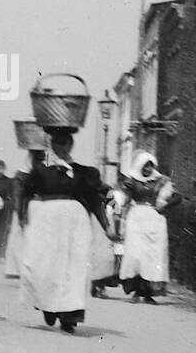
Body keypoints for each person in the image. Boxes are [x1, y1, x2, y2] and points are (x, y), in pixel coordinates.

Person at [18, 128, 111, 333]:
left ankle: (70, 315)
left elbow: (94, 200)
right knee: (46, 264)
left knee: (75, 266)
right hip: (47, 222)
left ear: (71, 145)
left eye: (65, 143)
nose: (61, 147)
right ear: (52, 145)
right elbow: (25, 194)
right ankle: (49, 306)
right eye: (57, 143)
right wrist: (23, 218)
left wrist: (106, 226)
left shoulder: (84, 172)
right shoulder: (41, 170)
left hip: (75, 223)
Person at [118, 151, 178, 304]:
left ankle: (148, 294)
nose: (147, 169)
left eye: (150, 166)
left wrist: (165, 205)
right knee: (136, 255)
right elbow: (125, 201)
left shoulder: (161, 181)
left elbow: (177, 197)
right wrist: (122, 221)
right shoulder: (132, 181)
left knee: (152, 257)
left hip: (154, 219)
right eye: (145, 166)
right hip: (136, 218)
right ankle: (136, 291)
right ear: (139, 166)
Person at [3, 150, 43, 279]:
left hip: (35, 209)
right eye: (37, 158)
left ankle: (20, 269)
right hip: (25, 208)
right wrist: (20, 212)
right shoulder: (23, 174)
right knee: (19, 239)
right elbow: (17, 195)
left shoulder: (38, 172)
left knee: (25, 239)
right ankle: (18, 269)